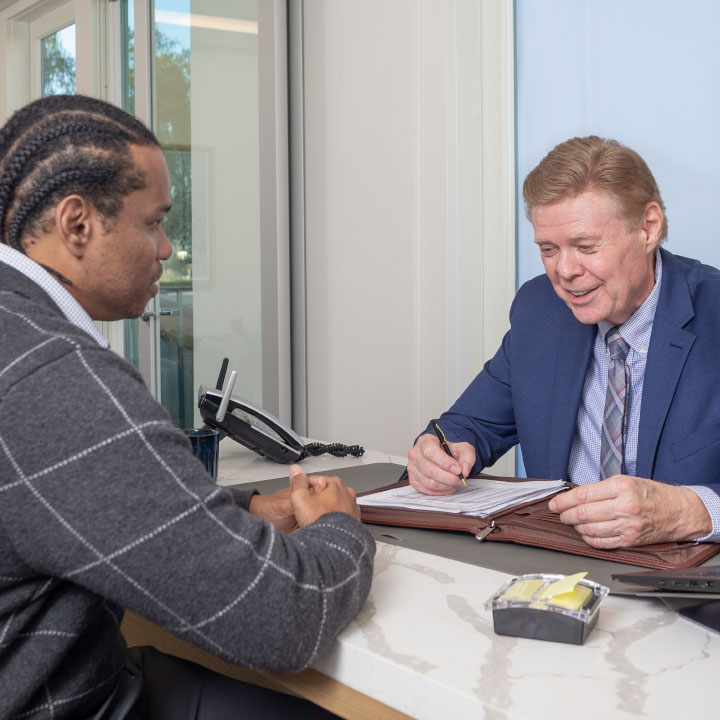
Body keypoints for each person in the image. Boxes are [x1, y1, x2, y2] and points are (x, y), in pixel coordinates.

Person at [0, 95, 374, 720]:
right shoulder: (53, 374)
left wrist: (244, 507)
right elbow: (285, 618)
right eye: (153, 222)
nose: (167, 248)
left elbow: (61, 495)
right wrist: (341, 527)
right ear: (76, 224)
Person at [407, 135, 720, 549]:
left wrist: (689, 511)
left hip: (684, 588)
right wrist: (437, 453)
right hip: (554, 567)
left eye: (586, 246)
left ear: (648, 227)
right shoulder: (540, 310)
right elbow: (469, 425)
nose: (565, 271)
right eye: (549, 249)